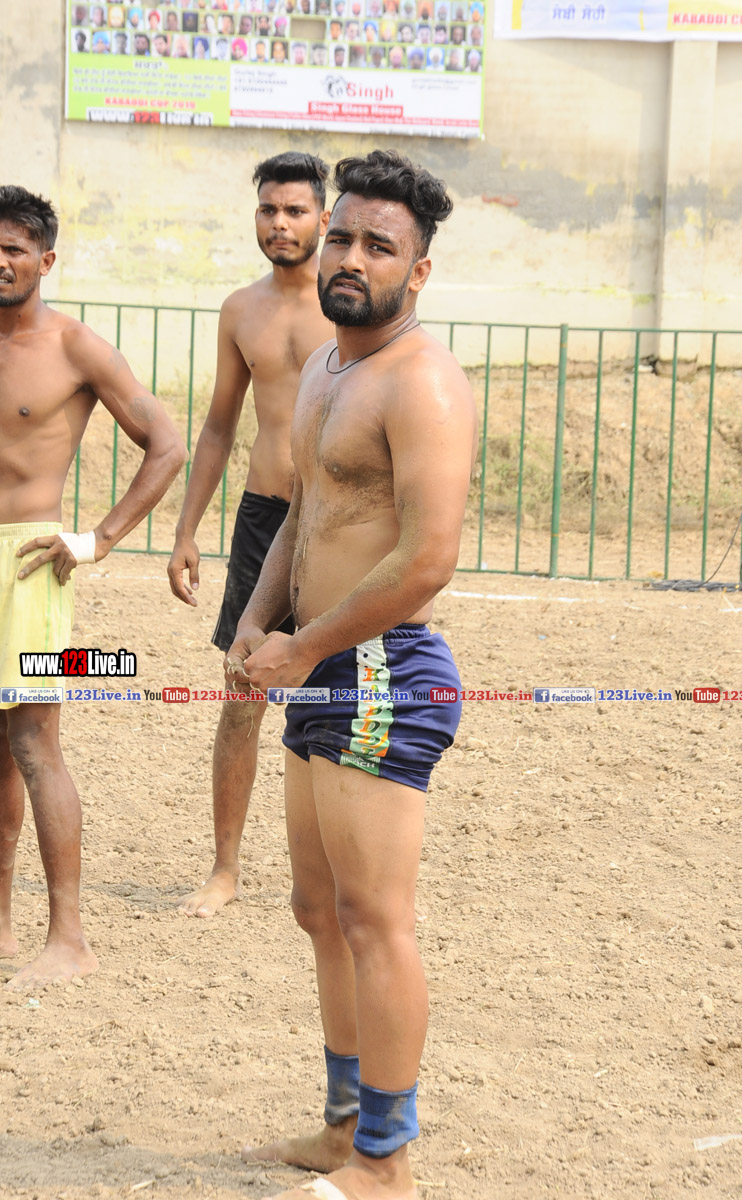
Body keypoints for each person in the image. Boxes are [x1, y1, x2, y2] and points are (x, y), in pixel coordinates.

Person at [231, 149, 475, 1200]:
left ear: (416, 273)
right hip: (321, 663)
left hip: (381, 669)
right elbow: (303, 512)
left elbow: (427, 559)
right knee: (317, 908)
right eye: (342, 235)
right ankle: (344, 1128)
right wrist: (258, 621)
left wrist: (305, 644)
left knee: (374, 920)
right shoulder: (329, 370)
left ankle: (386, 1160)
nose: (349, 257)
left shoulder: (422, 380)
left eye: (379, 246)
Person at [0, 186, 185, 991]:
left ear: (44, 259)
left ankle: (68, 938)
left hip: (27, 565)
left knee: (34, 745)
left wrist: (98, 539)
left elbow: (167, 444)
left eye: (12, 247)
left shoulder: (76, 347)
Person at [168, 154, 333, 920]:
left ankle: (346, 871)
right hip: (264, 520)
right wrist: (186, 530)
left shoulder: (351, 305)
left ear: (323, 218)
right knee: (241, 693)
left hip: (339, 521)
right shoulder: (240, 310)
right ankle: (224, 869)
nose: (279, 223)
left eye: (295, 210)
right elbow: (217, 427)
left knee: (346, 692)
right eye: (269, 209)